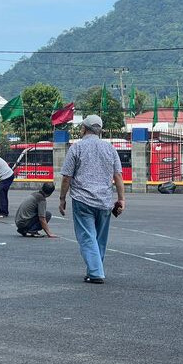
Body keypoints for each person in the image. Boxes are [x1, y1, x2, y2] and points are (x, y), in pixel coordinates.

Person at [59, 115, 125, 284]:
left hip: (82, 200)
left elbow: (67, 177)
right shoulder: (110, 149)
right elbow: (117, 176)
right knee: (100, 239)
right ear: (100, 130)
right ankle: (93, 270)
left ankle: (95, 273)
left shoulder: (76, 148)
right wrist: (121, 199)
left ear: (84, 129)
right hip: (104, 201)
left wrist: (62, 199)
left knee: (87, 237)